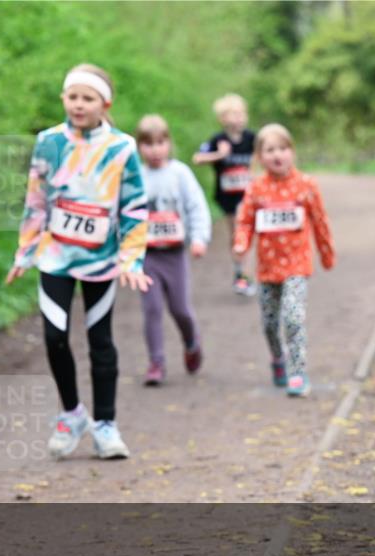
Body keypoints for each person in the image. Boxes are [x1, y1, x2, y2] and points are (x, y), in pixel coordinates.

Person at [5, 63, 151, 461]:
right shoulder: (48, 142)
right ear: (63, 99)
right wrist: (25, 251)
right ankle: (72, 414)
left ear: (105, 103)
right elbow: (36, 201)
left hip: (102, 260)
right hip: (55, 255)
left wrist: (132, 258)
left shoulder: (122, 147)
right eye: (73, 97)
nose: (79, 105)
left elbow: (135, 207)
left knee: (100, 340)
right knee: (54, 337)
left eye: (88, 98)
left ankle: (106, 425)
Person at [233, 123, 335, 397]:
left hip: (297, 265)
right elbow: (245, 221)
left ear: (292, 152)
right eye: (270, 150)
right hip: (267, 268)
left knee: (293, 317)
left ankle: (298, 372)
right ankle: (277, 358)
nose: (277, 155)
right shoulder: (256, 188)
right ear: (260, 156)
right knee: (269, 323)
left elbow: (320, 221)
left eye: (283, 148)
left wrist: (326, 254)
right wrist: (242, 243)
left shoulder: (307, 185)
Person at [135, 114, 211, 386]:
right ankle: (156, 362)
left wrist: (199, 238)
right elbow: (123, 212)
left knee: (180, 309)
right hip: (147, 256)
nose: (155, 150)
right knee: (152, 309)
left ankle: (191, 340)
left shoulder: (180, 173)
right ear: (139, 147)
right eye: (148, 144)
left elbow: (196, 206)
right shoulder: (135, 176)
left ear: (168, 143)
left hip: (175, 255)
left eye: (160, 142)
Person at [192, 93, 257, 296]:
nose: (238, 118)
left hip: (251, 197)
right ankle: (241, 273)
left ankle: (247, 274)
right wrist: (219, 155)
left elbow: (266, 155)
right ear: (222, 118)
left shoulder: (252, 138)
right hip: (228, 197)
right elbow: (197, 158)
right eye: (233, 114)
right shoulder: (218, 140)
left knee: (249, 233)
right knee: (237, 235)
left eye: (241, 113)